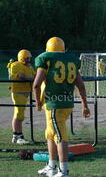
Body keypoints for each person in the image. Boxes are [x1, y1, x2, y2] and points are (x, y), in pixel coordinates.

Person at [33, 37, 90, 177]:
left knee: (60, 136)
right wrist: (84, 105)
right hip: (66, 103)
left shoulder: (46, 58)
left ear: (48, 49)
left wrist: (38, 103)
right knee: (50, 134)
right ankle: (51, 166)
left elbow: (36, 84)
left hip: (54, 104)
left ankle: (64, 171)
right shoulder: (71, 60)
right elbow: (81, 86)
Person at [10, 50, 35, 145]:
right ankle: (18, 136)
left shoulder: (29, 66)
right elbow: (20, 76)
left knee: (20, 114)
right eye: (26, 58)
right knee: (19, 114)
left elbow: (34, 75)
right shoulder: (15, 65)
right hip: (18, 92)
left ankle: (15, 136)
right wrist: (30, 78)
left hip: (25, 92)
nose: (28, 60)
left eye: (29, 58)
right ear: (21, 58)